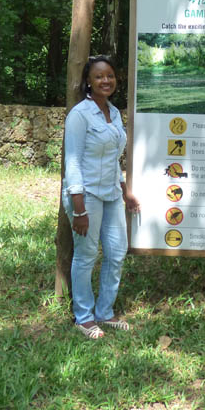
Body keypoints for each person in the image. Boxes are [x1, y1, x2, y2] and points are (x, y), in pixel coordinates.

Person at [62, 55, 140, 339]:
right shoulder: (79, 115)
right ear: (88, 82)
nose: (105, 80)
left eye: (109, 75)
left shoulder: (114, 113)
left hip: (111, 194)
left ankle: (105, 312)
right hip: (86, 195)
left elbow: (112, 158)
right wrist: (79, 208)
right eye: (98, 76)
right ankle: (83, 316)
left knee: (117, 252)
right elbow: (72, 162)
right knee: (86, 255)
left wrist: (126, 191)